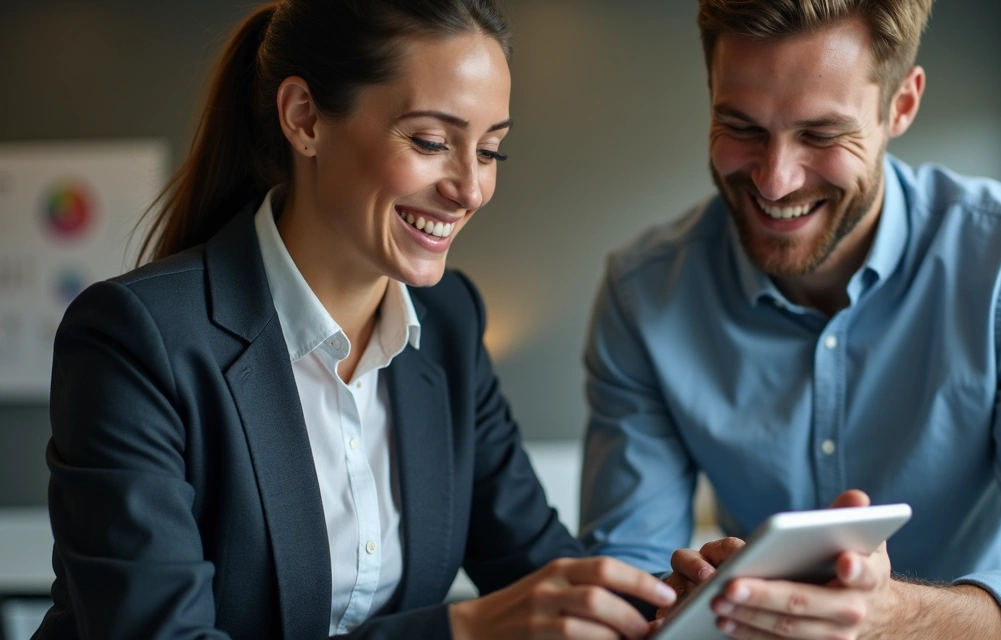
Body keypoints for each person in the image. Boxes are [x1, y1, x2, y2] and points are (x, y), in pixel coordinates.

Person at [34, 1, 676, 638]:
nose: (471, 189)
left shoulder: (449, 323)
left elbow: (542, 567)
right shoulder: (134, 338)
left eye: (490, 152)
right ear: (305, 119)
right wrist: (462, 633)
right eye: (431, 141)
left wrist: (686, 606)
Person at [578, 1, 1001, 638]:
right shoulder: (644, 293)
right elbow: (625, 578)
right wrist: (668, 606)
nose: (774, 180)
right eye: (741, 126)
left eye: (822, 135)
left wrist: (896, 618)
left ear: (900, 106)